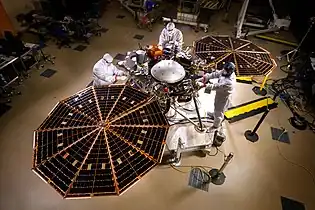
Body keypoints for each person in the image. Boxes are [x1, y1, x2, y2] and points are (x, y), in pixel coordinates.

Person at [196, 62, 236, 130]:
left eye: (225, 71)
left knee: (219, 110)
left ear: (230, 72)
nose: (224, 71)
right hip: (220, 93)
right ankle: (215, 115)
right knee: (216, 106)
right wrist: (205, 78)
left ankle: (216, 126)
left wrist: (203, 85)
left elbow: (215, 86)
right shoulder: (225, 71)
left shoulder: (229, 82)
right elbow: (216, 74)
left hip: (224, 96)